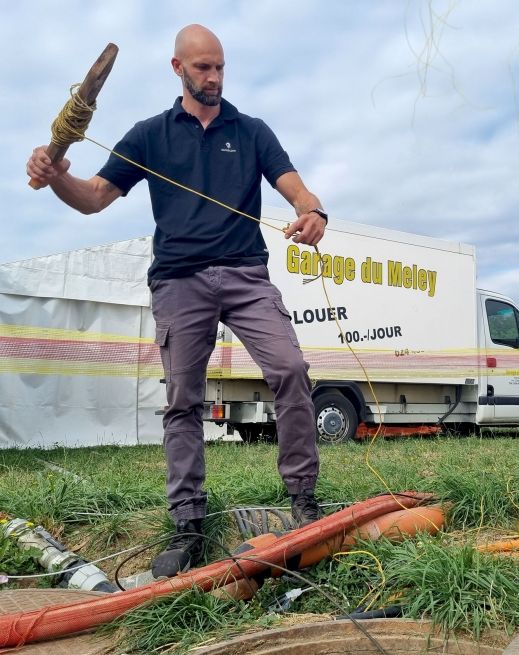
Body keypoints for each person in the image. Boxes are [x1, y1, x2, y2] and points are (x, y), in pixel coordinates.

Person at [26, 24, 326, 578]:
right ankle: (188, 522)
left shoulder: (252, 130)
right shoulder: (149, 136)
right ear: (177, 68)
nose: (213, 77)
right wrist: (57, 176)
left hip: (245, 273)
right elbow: (92, 198)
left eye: (219, 67)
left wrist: (314, 212)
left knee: (290, 368)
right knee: (183, 399)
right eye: (202, 68)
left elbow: (296, 187)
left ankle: (304, 499)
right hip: (178, 280)